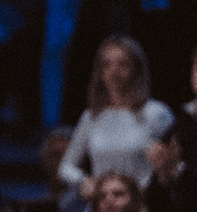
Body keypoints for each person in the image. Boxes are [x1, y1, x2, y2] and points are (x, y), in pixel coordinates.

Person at [58, 33, 174, 198]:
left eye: (123, 64)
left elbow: (176, 166)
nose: (114, 72)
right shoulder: (91, 116)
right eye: (107, 65)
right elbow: (66, 168)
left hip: (143, 204)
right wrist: (85, 181)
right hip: (103, 204)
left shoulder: (156, 113)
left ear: (136, 68)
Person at [145, 40, 197, 212]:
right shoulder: (179, 123)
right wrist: (164, 177)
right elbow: (159, 189)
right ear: (192, 74)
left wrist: (178, 171)